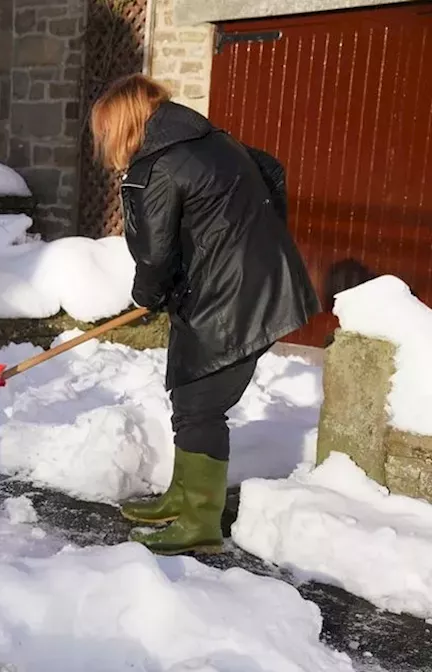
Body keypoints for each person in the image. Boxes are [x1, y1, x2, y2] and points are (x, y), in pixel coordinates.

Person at [89, 74, 320, 555]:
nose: (105, 141)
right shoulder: (210, 140)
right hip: (236, 284)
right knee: (191, 396)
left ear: (126, 121)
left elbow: (153, 255)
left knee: (200, 406)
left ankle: (199, 520)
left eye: (107, 129)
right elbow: (271, 172)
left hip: (230, 295)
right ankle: (184, 495)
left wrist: (147, 295)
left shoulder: (157, 166)